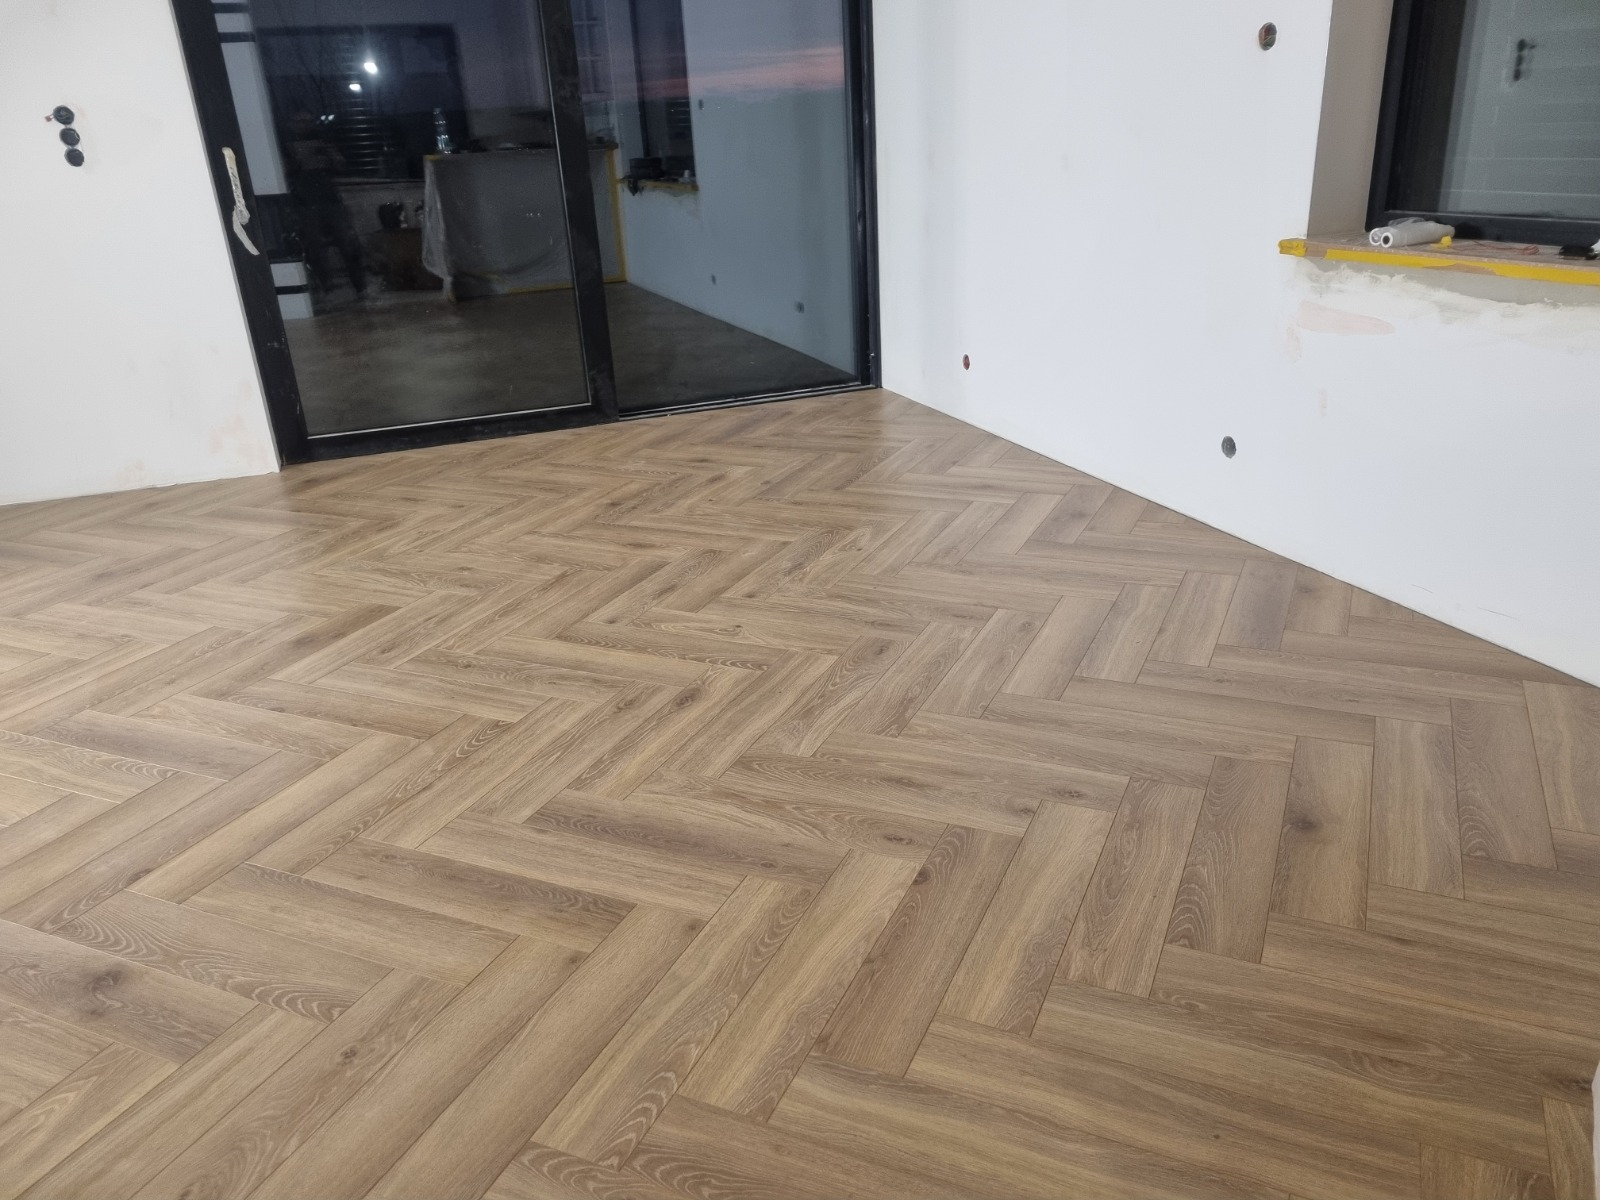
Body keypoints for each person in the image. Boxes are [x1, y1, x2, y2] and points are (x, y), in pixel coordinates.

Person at [283, 111, 367, 300]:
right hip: (305, 203)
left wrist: (328, 154)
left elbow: (341, 166)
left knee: (349, 244)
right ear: (291, 124)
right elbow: (285, 170)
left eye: (308, 121)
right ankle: (327, 287)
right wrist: (301, 160)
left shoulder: (323, 141)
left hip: (331, 200)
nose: (305, 125)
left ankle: (360, 287)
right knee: (315, 248)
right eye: (299, 121)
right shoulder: (285, 145)